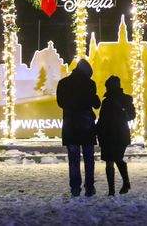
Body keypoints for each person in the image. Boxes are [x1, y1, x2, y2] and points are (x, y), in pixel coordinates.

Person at [56, 58, 101, 197]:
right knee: (88, 158)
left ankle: (75, 188)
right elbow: (96, 103)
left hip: (70, 126)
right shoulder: (90, 84)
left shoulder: (63, 83)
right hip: (86, 126)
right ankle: (89, 187)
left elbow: (61, 102)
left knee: (73, 159)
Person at [95, 75, 135, 196]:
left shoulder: (107, 102)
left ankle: (113, 189)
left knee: (111, 161)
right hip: (121, 133)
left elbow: (102, 120)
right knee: (115, 159)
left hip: (108, 134)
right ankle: (123, 183)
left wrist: (97, 131)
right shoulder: (127, 99)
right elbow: (132, 115)